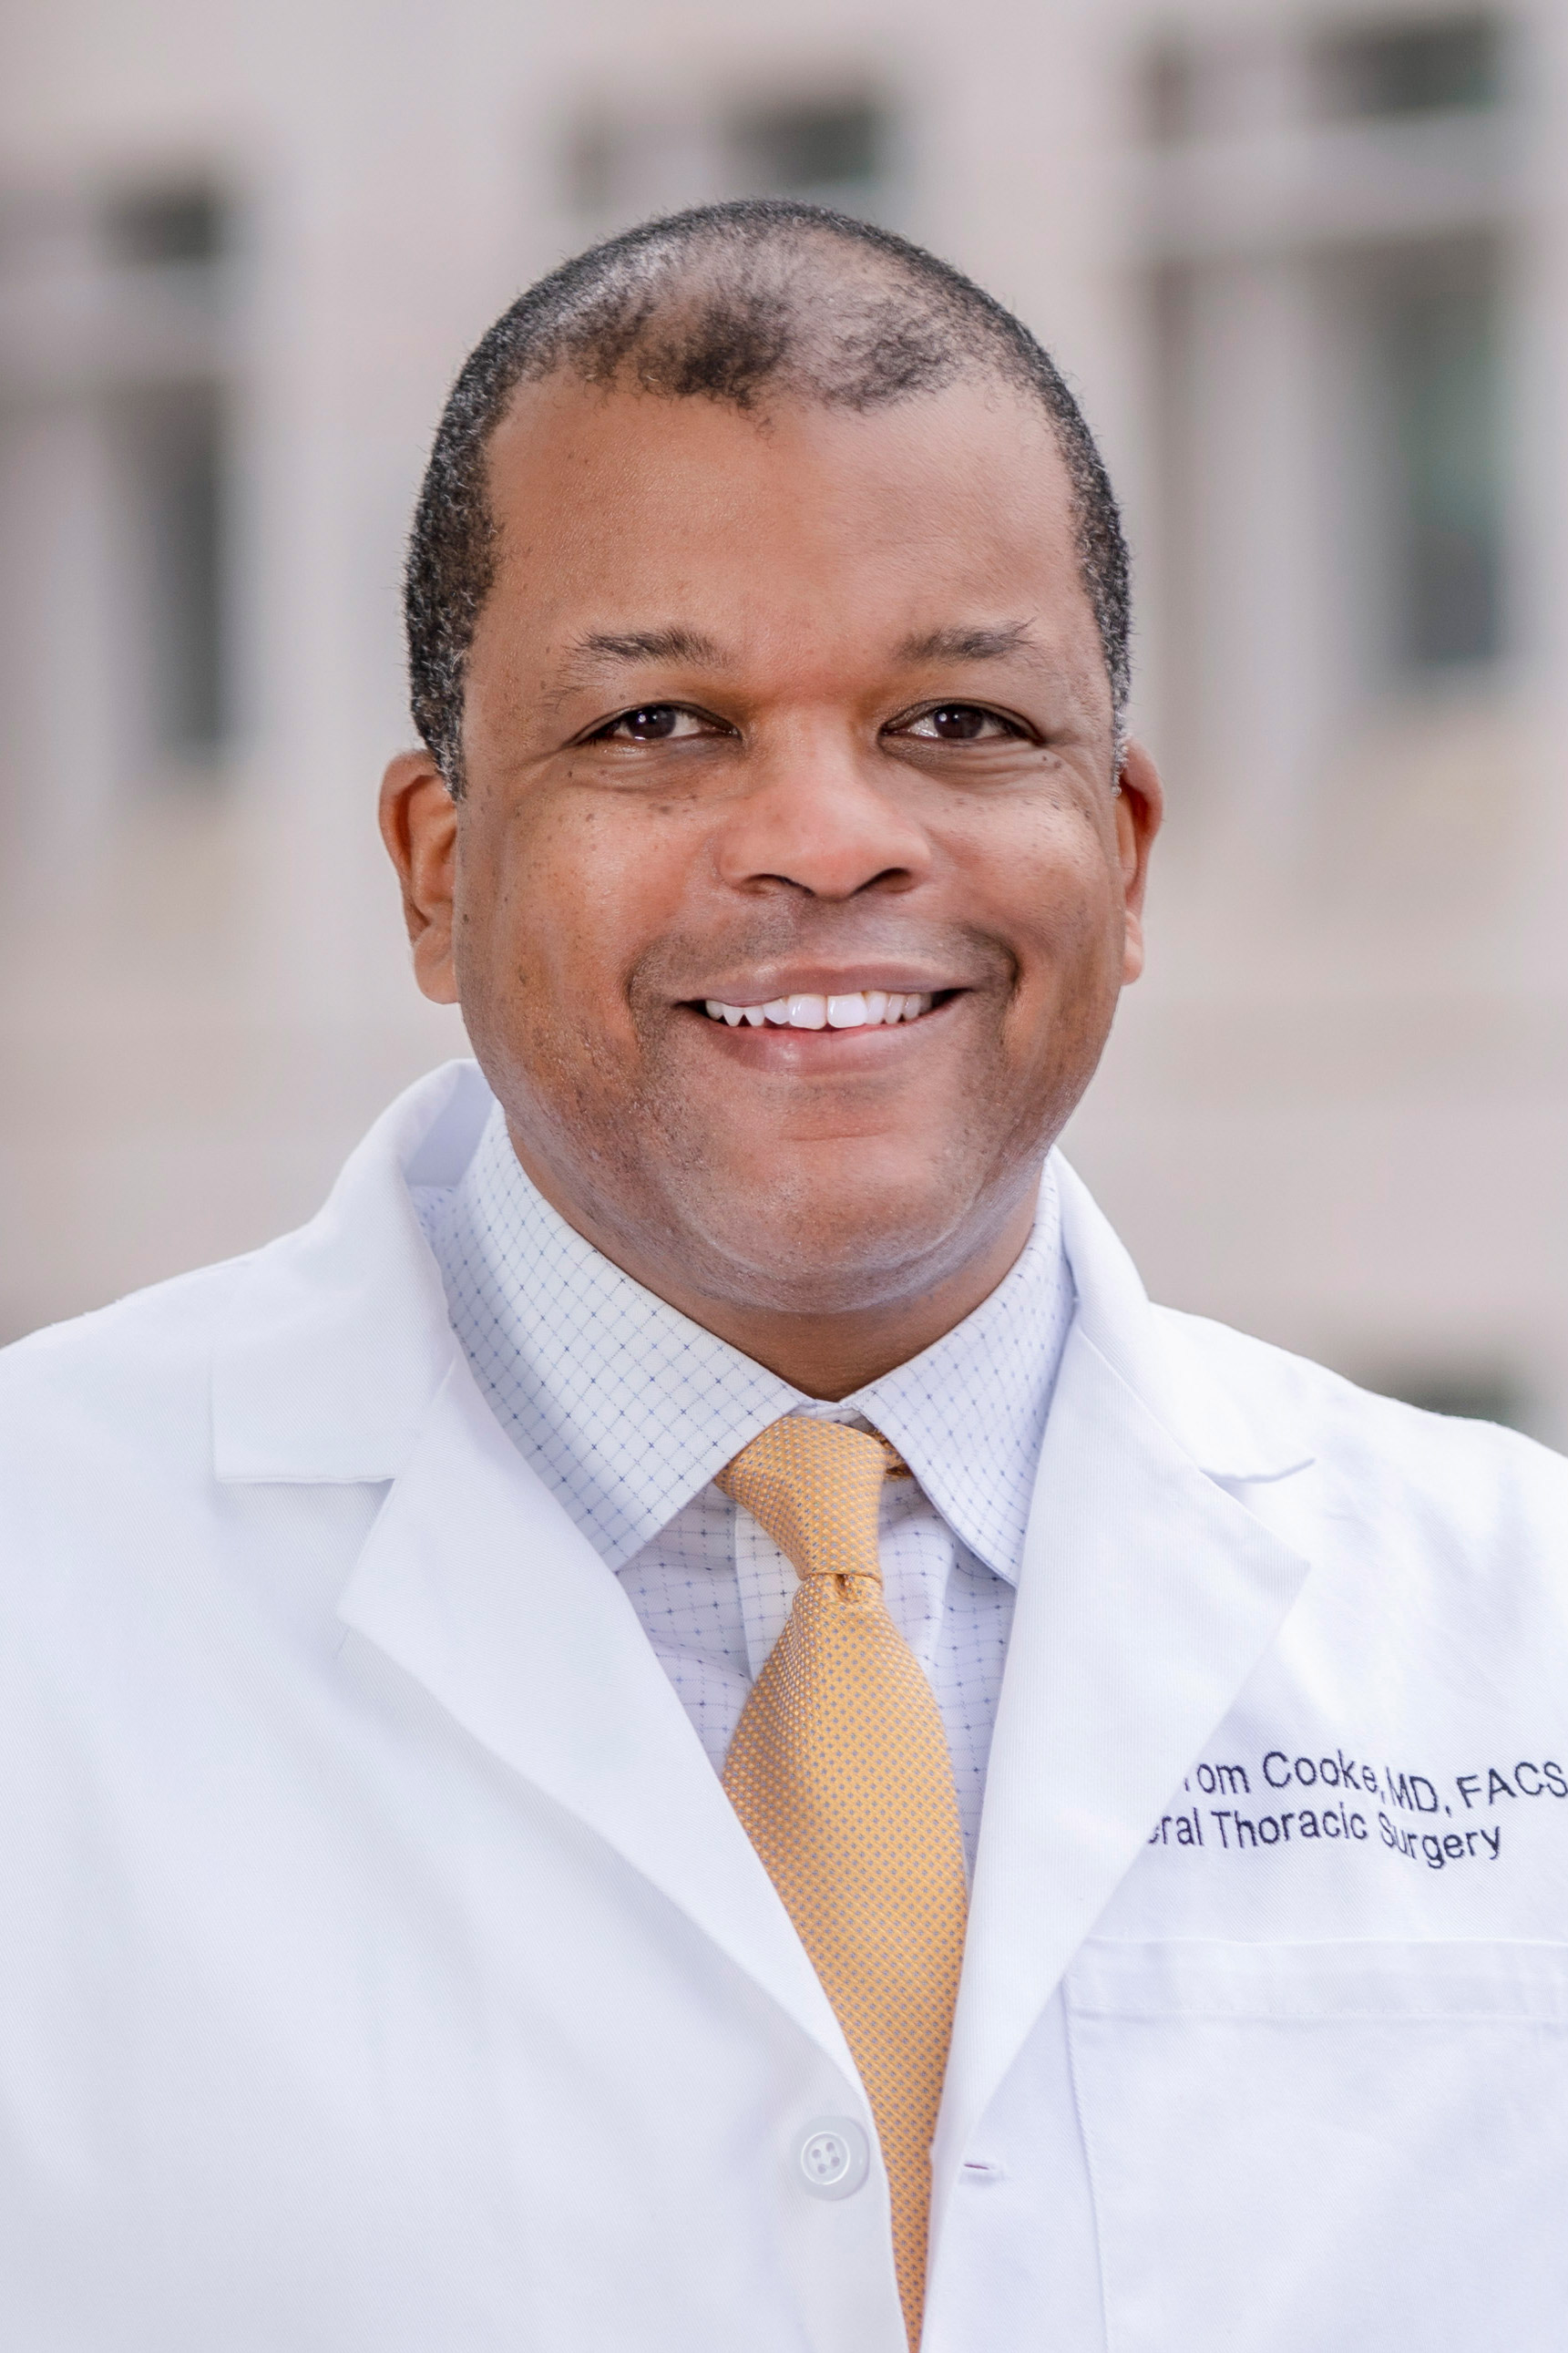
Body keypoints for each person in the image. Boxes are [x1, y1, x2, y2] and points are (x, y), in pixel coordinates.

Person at [3, 199, 1566, 2353]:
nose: (830, 838)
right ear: (440, 872)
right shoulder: (42, 1583)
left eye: (959, 720)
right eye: (660, 724)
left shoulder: (1521, 1628)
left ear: (1125, 854)